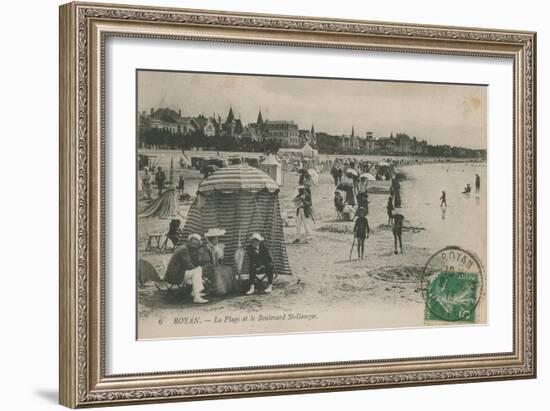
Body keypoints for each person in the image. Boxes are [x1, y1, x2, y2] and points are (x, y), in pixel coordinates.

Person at [163, 233, 209, 304]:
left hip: (175, 274)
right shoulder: (184, 250)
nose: (194, 246)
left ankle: (195, 291)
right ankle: (196, 296)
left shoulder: (185, 247)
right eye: (193, 243)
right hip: (174, 277)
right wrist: (200, 268)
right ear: (189, 242)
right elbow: (189, 265)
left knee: (197, 270)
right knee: (198, 270)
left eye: (196, 244)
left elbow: (189, 264)